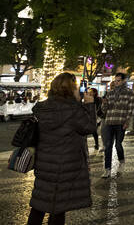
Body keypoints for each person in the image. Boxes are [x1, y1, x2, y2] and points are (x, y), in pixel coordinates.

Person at [27, 73, 96, 225]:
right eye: (76, 87)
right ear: (70, 89)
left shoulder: (42, 108)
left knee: (39, 204)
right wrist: (89, 104)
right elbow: (89, 127)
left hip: (45, 164)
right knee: (59, 209)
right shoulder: (73, 110)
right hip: (66, 166)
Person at [100, 72, 134, 178]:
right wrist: (104, 103)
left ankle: (121, 160)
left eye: (118, 80)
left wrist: (127, 122)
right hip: (109, 121)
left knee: (118, 145)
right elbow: (104, 110)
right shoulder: (110, 92)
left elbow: (130, 108)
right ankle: (107, 170)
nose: (116, 82)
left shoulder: (129, 93)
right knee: (108, 146)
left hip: (120, 122)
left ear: (124, 81)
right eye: (115, 80)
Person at [89, 88, 103, 152]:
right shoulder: (90, 98)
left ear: (95, 92)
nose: (90, 93)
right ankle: (97, 144)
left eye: (91, 92)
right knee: (94, 131)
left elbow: (98, 108)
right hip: (93, 117)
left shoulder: (98, 99)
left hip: (98, 117)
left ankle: (98, 144)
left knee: (95, 130)